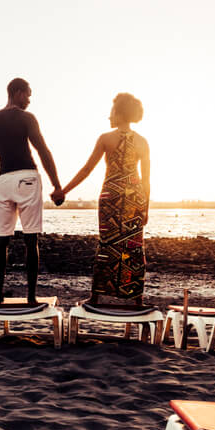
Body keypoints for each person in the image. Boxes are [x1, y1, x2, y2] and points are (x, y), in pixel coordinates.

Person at [56, 93, 150, 305]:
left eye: (111, 112)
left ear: (118, 113)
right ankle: (136, 299)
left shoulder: (106, 138)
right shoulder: (143, 142)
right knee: (134, 247)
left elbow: (87, 169)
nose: (108, 117)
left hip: (111, 197)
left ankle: (96, 297)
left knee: (107, 246)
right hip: (135, 198)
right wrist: (146, 208)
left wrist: (64, 191)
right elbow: (147, 179)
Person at [0, 77, 63, 305]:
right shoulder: (27, 118)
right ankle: (30, 297)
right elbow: (43, 151)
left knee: (2, 241)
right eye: (28, 94)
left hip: (3, 181)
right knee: (31, 240)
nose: (29, 99)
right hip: (27, 176)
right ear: (17, 92)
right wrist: (56, 185)